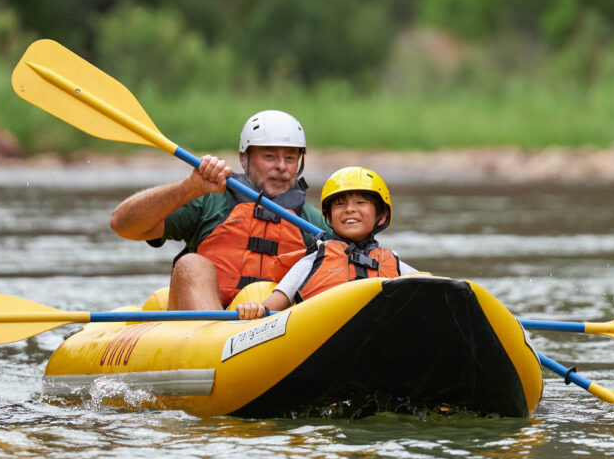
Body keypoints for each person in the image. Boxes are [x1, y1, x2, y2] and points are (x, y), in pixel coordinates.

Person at [110, 110, 328, 310]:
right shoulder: (210, 201)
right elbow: (122, 224)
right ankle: (218, 335)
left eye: (290, 158)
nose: (281, 166)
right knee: (190, 264)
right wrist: (190, 186)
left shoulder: (312, 223)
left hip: (274, 328)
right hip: (206, 327)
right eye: (269, 156)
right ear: (244, 159)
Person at [236, 165, 418, 318]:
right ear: (329, 217)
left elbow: (430, 287)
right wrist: (254, 310)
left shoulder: (394, 262)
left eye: (361, 203)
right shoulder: (313, 260)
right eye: (340, 204)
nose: (349, 210)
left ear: (381, 215)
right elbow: (272, 306)